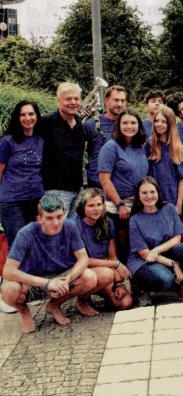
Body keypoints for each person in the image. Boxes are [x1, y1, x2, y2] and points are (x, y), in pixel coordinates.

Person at [0, 194, 98, 333]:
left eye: (59, 216)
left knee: (90, 277)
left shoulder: (69, 226)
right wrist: (47, 283)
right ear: (39, 219)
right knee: (9, 290)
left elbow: (83, 258)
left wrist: (68, 279)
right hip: (33, 282)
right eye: (49, 218)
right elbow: (8, 271)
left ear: (64, 214)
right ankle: (23, 311)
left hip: (61, 275)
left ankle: (54, 305)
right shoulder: (26, 233)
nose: (56, 223)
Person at [127, 177, 183, 306]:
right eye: (144, 193)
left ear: (158, 192)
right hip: (143, 261)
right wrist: (173, 264)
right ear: (138, 196)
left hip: (162, 253)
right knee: (165, 280)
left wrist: (157, 250)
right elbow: (144, 254)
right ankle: (142, 289)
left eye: (152, 192)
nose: (149, 196)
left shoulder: (169, 209)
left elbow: (177, 238)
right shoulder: (135, 219)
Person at [73, 188, 133, 310]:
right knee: (107, 274)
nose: (96, 209)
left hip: (102, 269)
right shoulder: (74, 226)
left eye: (99, 204)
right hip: (81, 270)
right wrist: (115, 264)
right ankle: (82, 299)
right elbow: (84, 261)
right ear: (82, 207)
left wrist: (118, 284)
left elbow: (112, 255)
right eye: (91, 205)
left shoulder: (108, 222)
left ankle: (105, 293)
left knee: (125, 302)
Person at [38, 82, 87, 217]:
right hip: (55, 189)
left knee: (71, 228)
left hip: (77, 188)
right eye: (68, 99)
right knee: (55, 227)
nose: (73, 102)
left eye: (76, 99)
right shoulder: (46, 122)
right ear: (58, 100)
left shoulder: (78, 122)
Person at [0, 101, 44, 246]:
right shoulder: (7, 141)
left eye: (31, 114)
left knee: (35, 245)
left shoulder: (40, 140)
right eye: (22, 115)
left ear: (37, 116)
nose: (27, 118)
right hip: (12, 203)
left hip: (36, 201)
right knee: (19, 246)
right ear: (17, 118)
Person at [98, 110, 149, 227]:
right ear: (118, 125)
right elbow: (104, 180)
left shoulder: (140, 146)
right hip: (118, 206)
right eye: (125, 123)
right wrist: (120, 204)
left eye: (133, 123)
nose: (129, 126)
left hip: (138, 203)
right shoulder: (111, 147)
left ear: (139, 125)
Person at [147, 107, 183, 212]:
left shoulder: (177, 148)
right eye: (156, 121)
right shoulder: (149, 145)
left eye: (163, 121)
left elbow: (182, 179)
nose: (159, 124)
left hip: (172, 199)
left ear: (170, 124)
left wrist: (179, 205)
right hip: (152, 199)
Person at [85, 86, 128, 189]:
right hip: (96, 185)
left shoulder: (130, 126)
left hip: (121, 186)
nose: (120, 104)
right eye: (116, 100)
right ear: (106, 101)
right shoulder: (92, 124)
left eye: (122, 101)